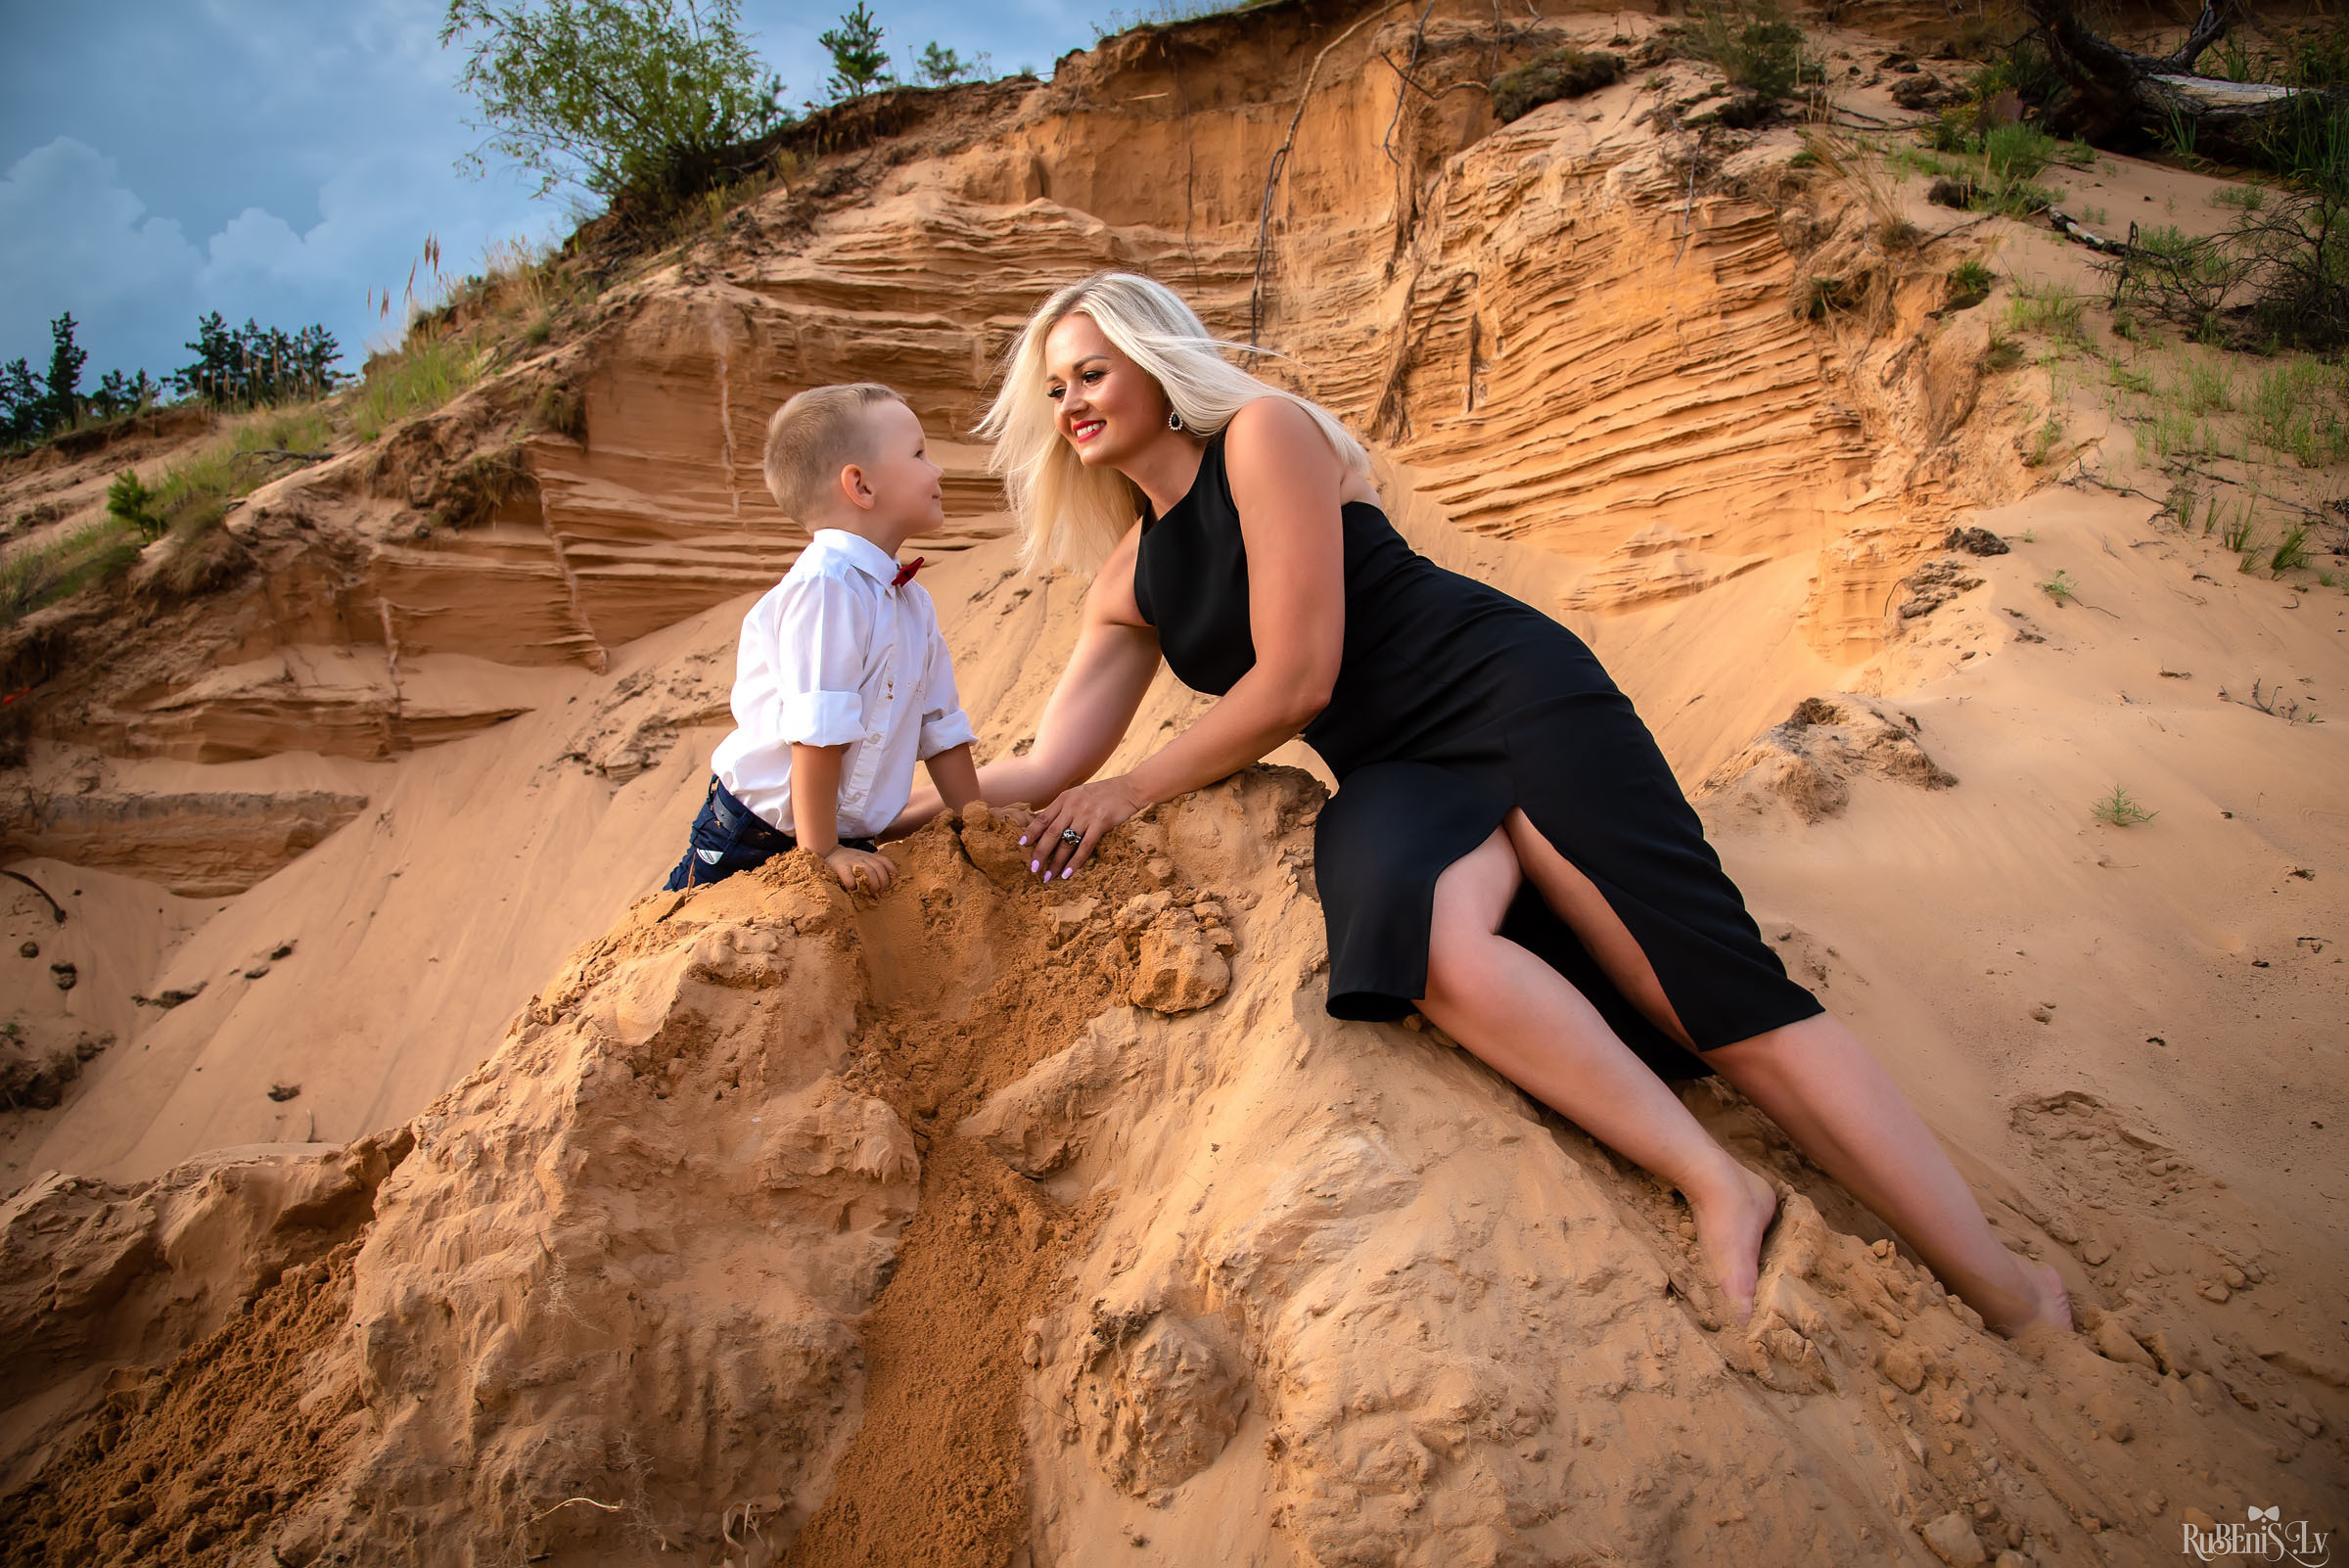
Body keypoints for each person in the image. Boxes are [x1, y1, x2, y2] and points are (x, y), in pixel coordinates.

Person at [898, 273, 2071, 1335]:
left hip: (1505, 694)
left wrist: (1134, 788)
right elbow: (1048, 764)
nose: (1072, 403)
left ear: (1159, 361)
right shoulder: (1127, 577)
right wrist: (889, 806)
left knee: (1711, 1002)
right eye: (1052, 389)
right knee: (1418, 942)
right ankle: (1721, 1180)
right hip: (1396, 768)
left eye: (1090, 372)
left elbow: (1298, 675)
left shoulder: (1268, 435)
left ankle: (2009, 1287)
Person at [666, 383, 981, 896]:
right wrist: (822, 850)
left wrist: (976, 819)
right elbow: (817, 729)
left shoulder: (912, 602)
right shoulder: (827, 586)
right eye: (920, 454)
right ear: (861, 486)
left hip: (846, 838)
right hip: (756, 834)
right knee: (692, 937)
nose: (938, 469)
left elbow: (939, 726)